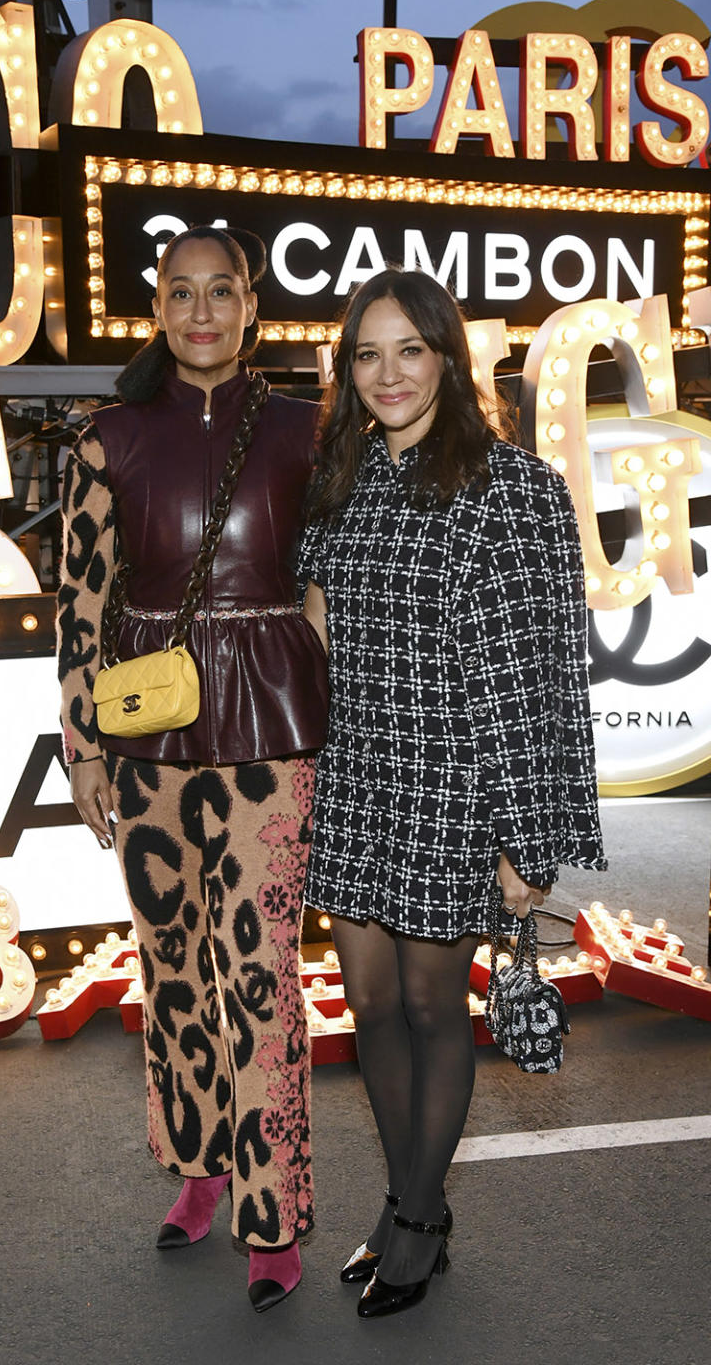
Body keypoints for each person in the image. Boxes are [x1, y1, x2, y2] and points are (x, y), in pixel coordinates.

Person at [299, 266, 605, 1319]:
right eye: (367, 354)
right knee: (371, 1007)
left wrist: (527, 842)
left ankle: (423, 1220)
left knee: (435, 1006)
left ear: (447, 357)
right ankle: (404, 1196)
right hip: (356, 781)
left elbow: (541, 674)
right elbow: (314, 629)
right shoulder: (340, 482)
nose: (387, 374)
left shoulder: (514, 488)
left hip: (455, 784)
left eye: (409, 351)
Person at [56, 225, 328, 1312]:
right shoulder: (105, 437)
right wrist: (82, 744)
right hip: (148, 735)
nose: (202, 310)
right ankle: (199, 1170)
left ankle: (276, 1216)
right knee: (170, 967)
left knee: (263, 982)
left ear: (252, 305)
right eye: (182, 293)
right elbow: (78, 604)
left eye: (223, 291)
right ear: (157, 309)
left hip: (272, 732)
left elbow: (336, 575)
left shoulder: (312, 429)